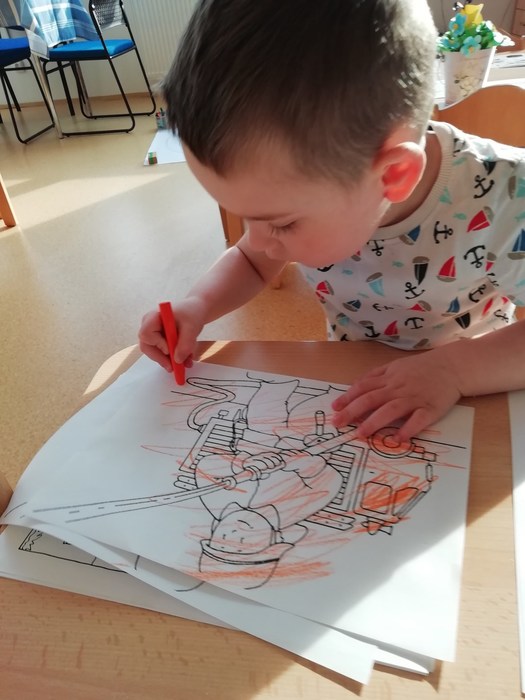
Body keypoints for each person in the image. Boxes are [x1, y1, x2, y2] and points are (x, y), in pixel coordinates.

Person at [139, 0, 525, 441]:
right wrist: (198, 305)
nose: (259, 241)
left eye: (281, 224)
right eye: (248, 218)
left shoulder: (508, 197)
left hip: (477, 391)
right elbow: (250, 260)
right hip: (353, 382)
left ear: (394, 176)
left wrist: (454, 372)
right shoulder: (315, 191)